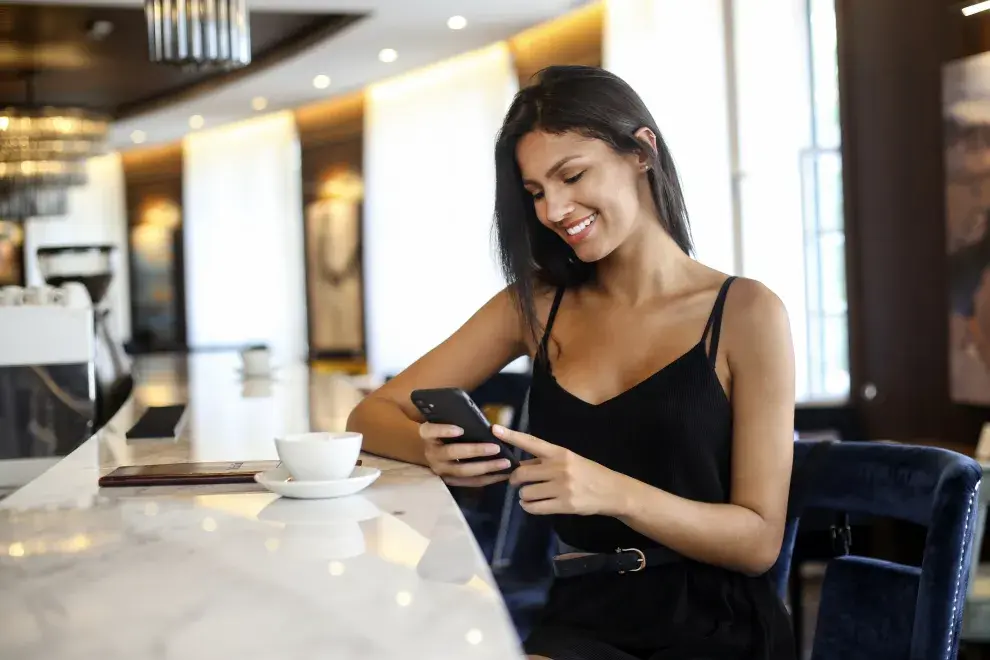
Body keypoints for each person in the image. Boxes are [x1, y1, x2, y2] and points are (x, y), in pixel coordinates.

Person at [346, 65, 796, 660]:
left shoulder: (745, 311)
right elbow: (368, 416)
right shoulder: (533, 306)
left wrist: (609, 491)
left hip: (717, 627)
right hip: (581, 616)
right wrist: (430, 449)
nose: (554, 209)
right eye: (535, 192)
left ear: (641, 151)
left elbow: (758, 540)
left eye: (572, 175)